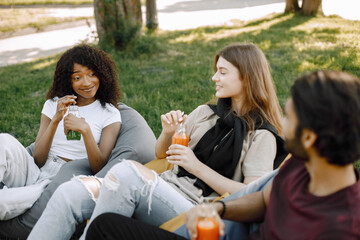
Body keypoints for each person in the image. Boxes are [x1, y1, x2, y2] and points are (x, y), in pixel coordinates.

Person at [28, 42, 287, 240]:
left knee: (127, 174)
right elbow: (162, 154)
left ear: (246, 77)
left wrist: (196, 166)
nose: (214, 78)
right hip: (163, 186)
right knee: (71, 191)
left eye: (222, 72)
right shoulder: (205, 113)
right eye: (215, 71)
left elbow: (250, 194)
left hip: (194, 206)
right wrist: (166, 133)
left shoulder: (262, 135)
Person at [85, 70, 360, 240]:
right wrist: (218, 207)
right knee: (105, 226)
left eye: (289, 118)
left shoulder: (340, 227)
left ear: (310, 137)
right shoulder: (303, 165)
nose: (282, 126)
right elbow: (263, 198)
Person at [0, 44, 122, 221]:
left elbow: (99, 168)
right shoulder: (54, 104)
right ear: (68, 80)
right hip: (35, 170)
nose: (87, 82)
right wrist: (56, 118)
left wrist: (85, 130)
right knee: (3, 139)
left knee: (3, 202)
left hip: (59, 181)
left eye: (92, 74)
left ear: (102, 75)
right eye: (77, 77)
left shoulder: (109, 113)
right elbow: (38, 158)